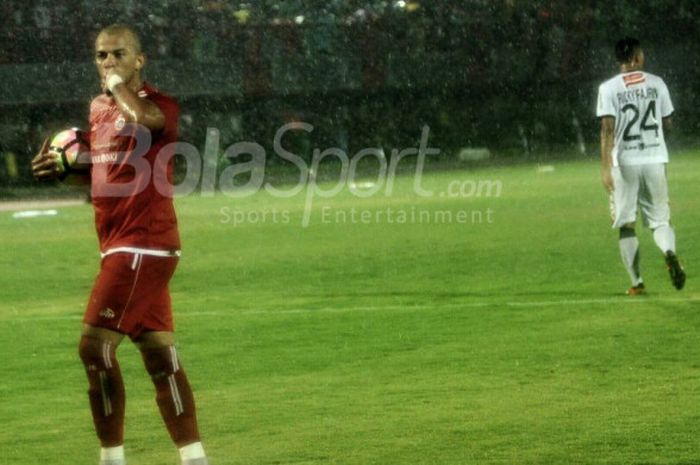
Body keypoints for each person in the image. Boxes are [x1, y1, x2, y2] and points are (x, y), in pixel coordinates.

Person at [31, 24, 209, 465]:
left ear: (139, 61)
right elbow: (101, 173)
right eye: (100, 56)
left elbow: (144, 122)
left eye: (117, 54)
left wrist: (116, 87)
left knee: (94, 347)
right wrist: (61, 169)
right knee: (160, 355)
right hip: (119, 245)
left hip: (144, 245)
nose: (107, 63)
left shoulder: (158, 105)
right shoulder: (98, 111)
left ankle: (111, 459)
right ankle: (195, 458)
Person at [597, 37, 685, 296]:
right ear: (636, 58)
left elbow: (607, 130)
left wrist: (604, 167)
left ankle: (637, 283)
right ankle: (669, 253)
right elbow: (667, 122)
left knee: (627, 224)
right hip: (655, 158)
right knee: (660, 221)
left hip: (624, 163)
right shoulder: (657, 83)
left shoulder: (608, 88)